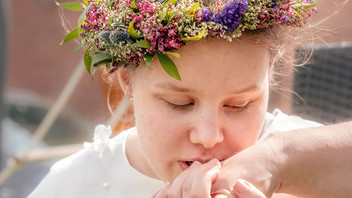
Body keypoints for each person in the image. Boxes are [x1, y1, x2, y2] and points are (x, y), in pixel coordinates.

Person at [27, 0, 330, 197]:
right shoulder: (70, 186)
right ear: (127, 81)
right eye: (179, 103)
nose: (208, 137)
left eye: (239, 105)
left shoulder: (328, 166)